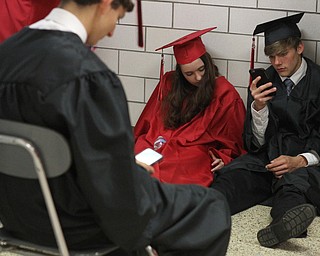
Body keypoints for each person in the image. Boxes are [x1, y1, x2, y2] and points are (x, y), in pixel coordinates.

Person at [0, 0, 231, 255]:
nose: (111, 32)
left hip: (17, 219)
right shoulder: (88, 75)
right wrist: (131, 173)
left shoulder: (6, 53)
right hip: (79, 224)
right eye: (118, 18)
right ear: (106, 4)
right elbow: (117, 198)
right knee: (211, 207)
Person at [210, 12, 320, 248]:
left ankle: (283, 226)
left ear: (299, 48)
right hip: (268, 159)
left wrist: (300, 160)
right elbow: (255, 144)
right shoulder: (264, 81)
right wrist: (258, 107)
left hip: (304, 163)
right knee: (232, 176)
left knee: (294, 185)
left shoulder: (319, 81)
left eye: (283, 54)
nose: (277, 63)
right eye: (271, 56)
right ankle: (199, 214)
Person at [134, 27, 246, 187]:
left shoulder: (224, 92)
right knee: (141, 158)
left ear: (207, 63)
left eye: (201, 69)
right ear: (181, 73)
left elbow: (234, 139)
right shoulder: (169, 82)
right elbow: (149, 122)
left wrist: (224, 157)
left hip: (194, 149)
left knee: (176, 164)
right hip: (161, 140)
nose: (198, 77)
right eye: (189, 74)